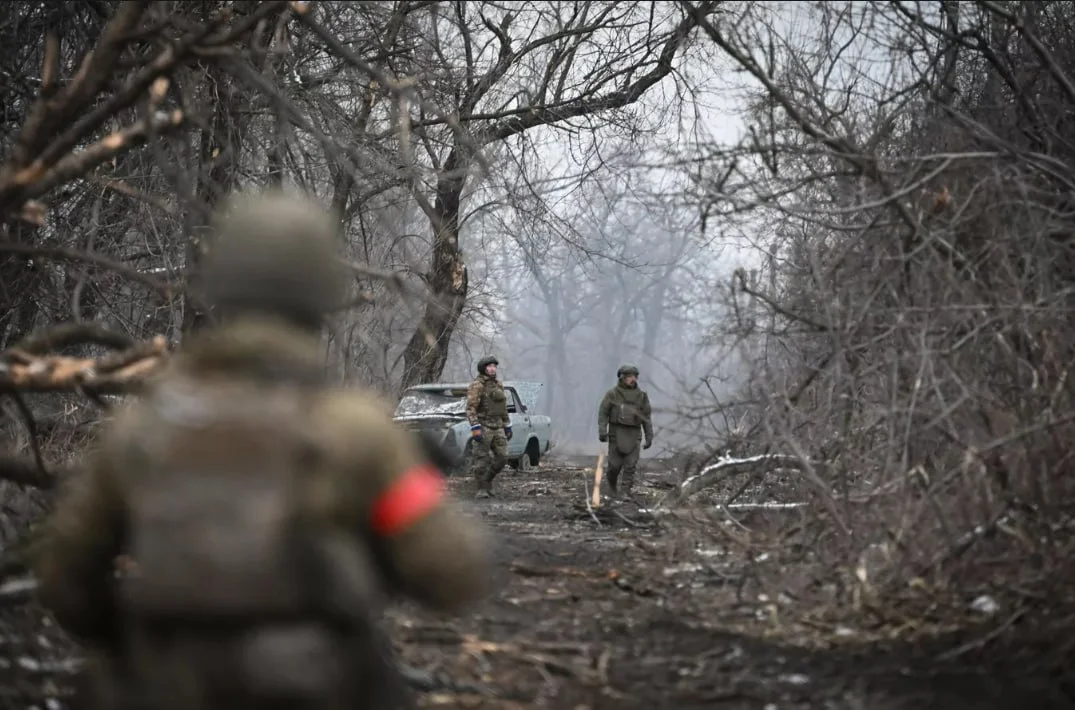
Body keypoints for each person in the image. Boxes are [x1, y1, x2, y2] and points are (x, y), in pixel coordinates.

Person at [31, 188, 494, 710]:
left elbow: (66, 577)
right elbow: (454, 572)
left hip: (158, 685)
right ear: (321, 294)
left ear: (222, 287)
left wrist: (137, 640)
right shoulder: (356, 432)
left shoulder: (142, 427)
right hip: (315, 686)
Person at [596, 363, 653, 500]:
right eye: (629, 377)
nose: (632, 379)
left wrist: (649, 436)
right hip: (616, 433)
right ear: (622, 378)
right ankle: (611, 486)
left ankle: (625, 492)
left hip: (634, 434)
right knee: (614, 466)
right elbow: (603, 412)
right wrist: (602, 430)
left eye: (634, 376)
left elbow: (646, 417)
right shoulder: (613, 394)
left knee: (630, 465)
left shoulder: (641, 396)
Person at [465, 355, 511, 499]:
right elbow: (471, 407)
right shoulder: (477, 385)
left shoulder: (498, 384)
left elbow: (502, 406)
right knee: (481, 459)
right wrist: (475, 426)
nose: (492, 369)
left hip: (497, 426)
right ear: (484, 369)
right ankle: (482, 488)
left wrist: (507, 424)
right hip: (483, 425)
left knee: (503, 457)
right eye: (489, 366)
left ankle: (488, 480)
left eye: (494, 366)